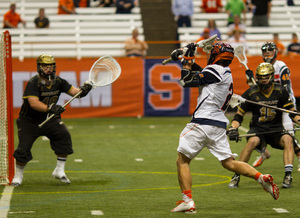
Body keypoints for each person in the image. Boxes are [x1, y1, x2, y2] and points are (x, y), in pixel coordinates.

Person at [169, 42, 279, 213]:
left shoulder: (215, 71)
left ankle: (188, 201)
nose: (207, 55)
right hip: (218, 125)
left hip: (202, 122)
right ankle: (261, 178)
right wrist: (185, 59)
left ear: (216, 55)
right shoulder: (224, 72)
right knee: (229, 163)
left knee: (182, 161)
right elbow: (202, 74)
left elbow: (186, 81)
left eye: (210, 53)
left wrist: (186, 62)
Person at [11, 54, 93, 186]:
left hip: (50, 119)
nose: (48, 69)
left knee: (64, 136)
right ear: (39, 67)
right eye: (45, 66)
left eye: (51, 66)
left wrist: (84, 90)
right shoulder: (34, 82)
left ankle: (59, 170)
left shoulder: (59, 81)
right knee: (23, 149)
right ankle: (18, 176)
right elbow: (33, 103)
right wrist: (50, 108)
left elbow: (75, 93)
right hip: (29, 121)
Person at [227, 62, 300, 189]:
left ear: (271, 76)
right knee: (252, 142)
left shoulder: (280, 91)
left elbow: (292, 113)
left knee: (288, 139)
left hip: (276, 129)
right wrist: (233, 127)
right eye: (260, 77)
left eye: (266, 77)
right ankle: (236, 175)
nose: (263, 80)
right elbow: (239, 116)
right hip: (258, 129)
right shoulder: (251, 93)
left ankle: (288, 175)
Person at [246, 42, 300, 171]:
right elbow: (255, 88)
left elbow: (285, 87)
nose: (267, 53)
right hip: (268, 106)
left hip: (284, 105)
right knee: (257, 130)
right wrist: (250, 79)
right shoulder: (261, 67)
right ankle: (263, 152)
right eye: (265, 50)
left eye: (270, 50)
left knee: (288, 134)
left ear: (275, 51)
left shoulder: (281, 66)